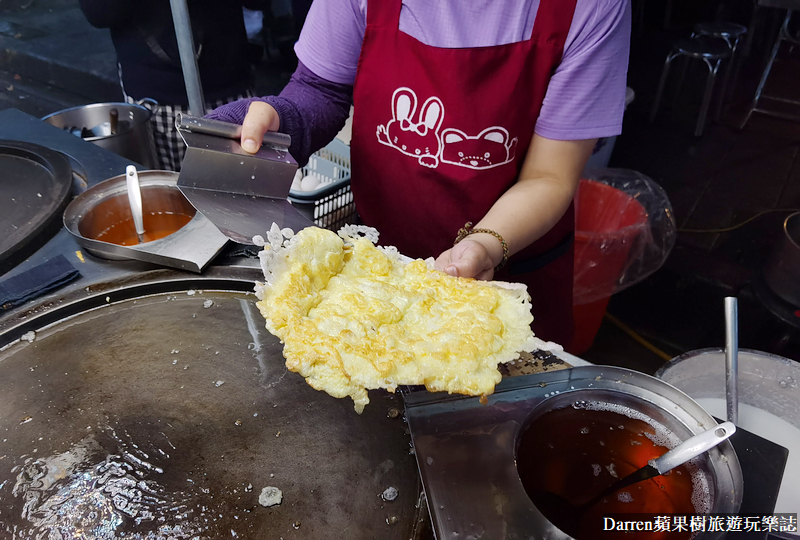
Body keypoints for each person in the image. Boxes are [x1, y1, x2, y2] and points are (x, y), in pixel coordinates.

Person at [208, 0, 631, 350]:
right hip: (382, 269)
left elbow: (549, 176)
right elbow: (321, 89)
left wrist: (482, 246)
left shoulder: (589, 8)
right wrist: (281, 122)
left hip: (512, 270)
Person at [78, 0, 267, 171]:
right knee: (170, 194)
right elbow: (99, 12)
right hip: (156, 95)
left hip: (229, 84)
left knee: (241, 191)